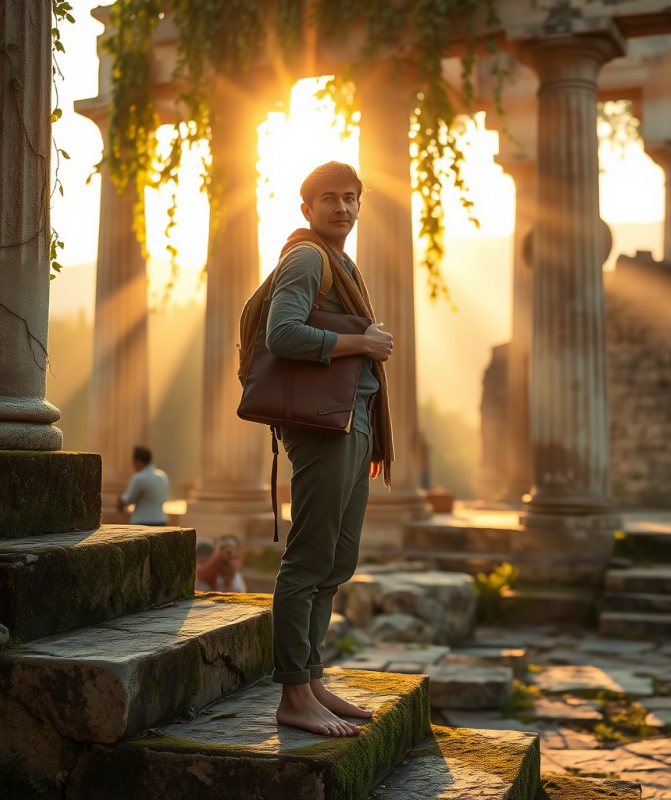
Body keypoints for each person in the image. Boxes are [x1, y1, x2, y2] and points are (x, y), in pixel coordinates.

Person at [263, 162, 394, 738]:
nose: (341, 208)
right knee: (308, 559)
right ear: (307, 209)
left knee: (337, 562)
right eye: (328, 199)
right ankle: (293, 693)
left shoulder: (340, 263)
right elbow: (282, 334)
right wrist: (359, 342)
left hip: (352, 423)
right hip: (322, 429)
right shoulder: (307, 258)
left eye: (350, 198)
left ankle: (312, 680)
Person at [117, 446, 169, 525]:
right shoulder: (162, 475)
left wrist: (120, 499)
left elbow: (129, 499)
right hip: (160, 519)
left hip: (142, 521)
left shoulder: (139, 478)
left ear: (139, 462)